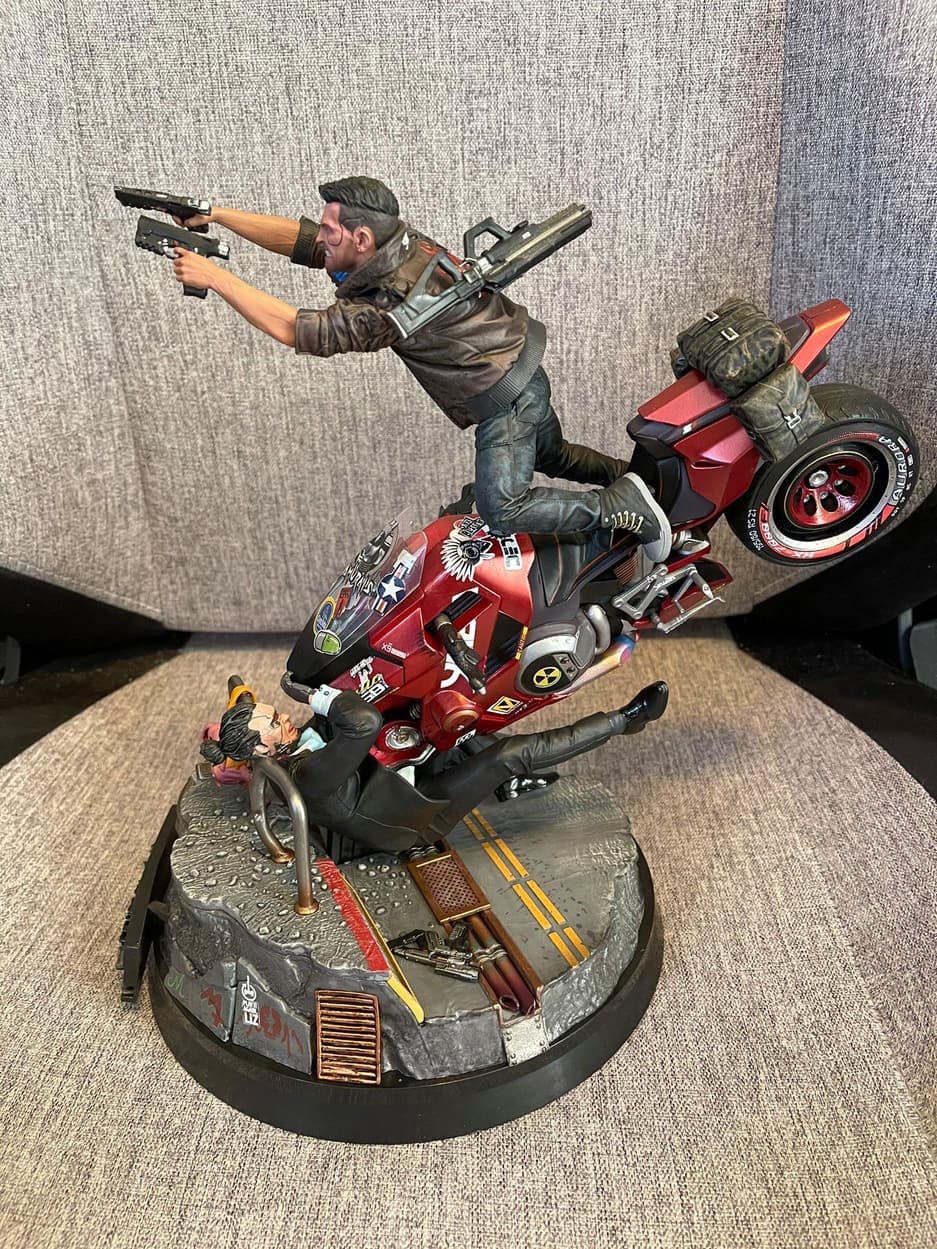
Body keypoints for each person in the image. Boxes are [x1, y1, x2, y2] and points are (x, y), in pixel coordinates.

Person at [166, 177, 671, 560]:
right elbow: (306, 242)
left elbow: (298, 330)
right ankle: (636, 480)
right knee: (550, 453)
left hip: (503, 397)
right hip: (522, 367)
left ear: (361, 238)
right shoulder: (397, 242)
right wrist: (217, 216)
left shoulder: (390, 306)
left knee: (503, 509)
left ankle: (621, 506)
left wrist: (216, 277)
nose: (323, 238)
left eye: (331, 231)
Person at [199, 682, 669, 856]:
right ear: (259, 748)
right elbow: (362, 724)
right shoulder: (304, 776)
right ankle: (624, 720)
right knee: (506, 755)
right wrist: (322, 697)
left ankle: (512, 783)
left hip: (392, 782)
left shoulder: (293, 749)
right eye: (272, 723)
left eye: (274, 712)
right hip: (415, 818)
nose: (283, 717)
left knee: (455, 724)